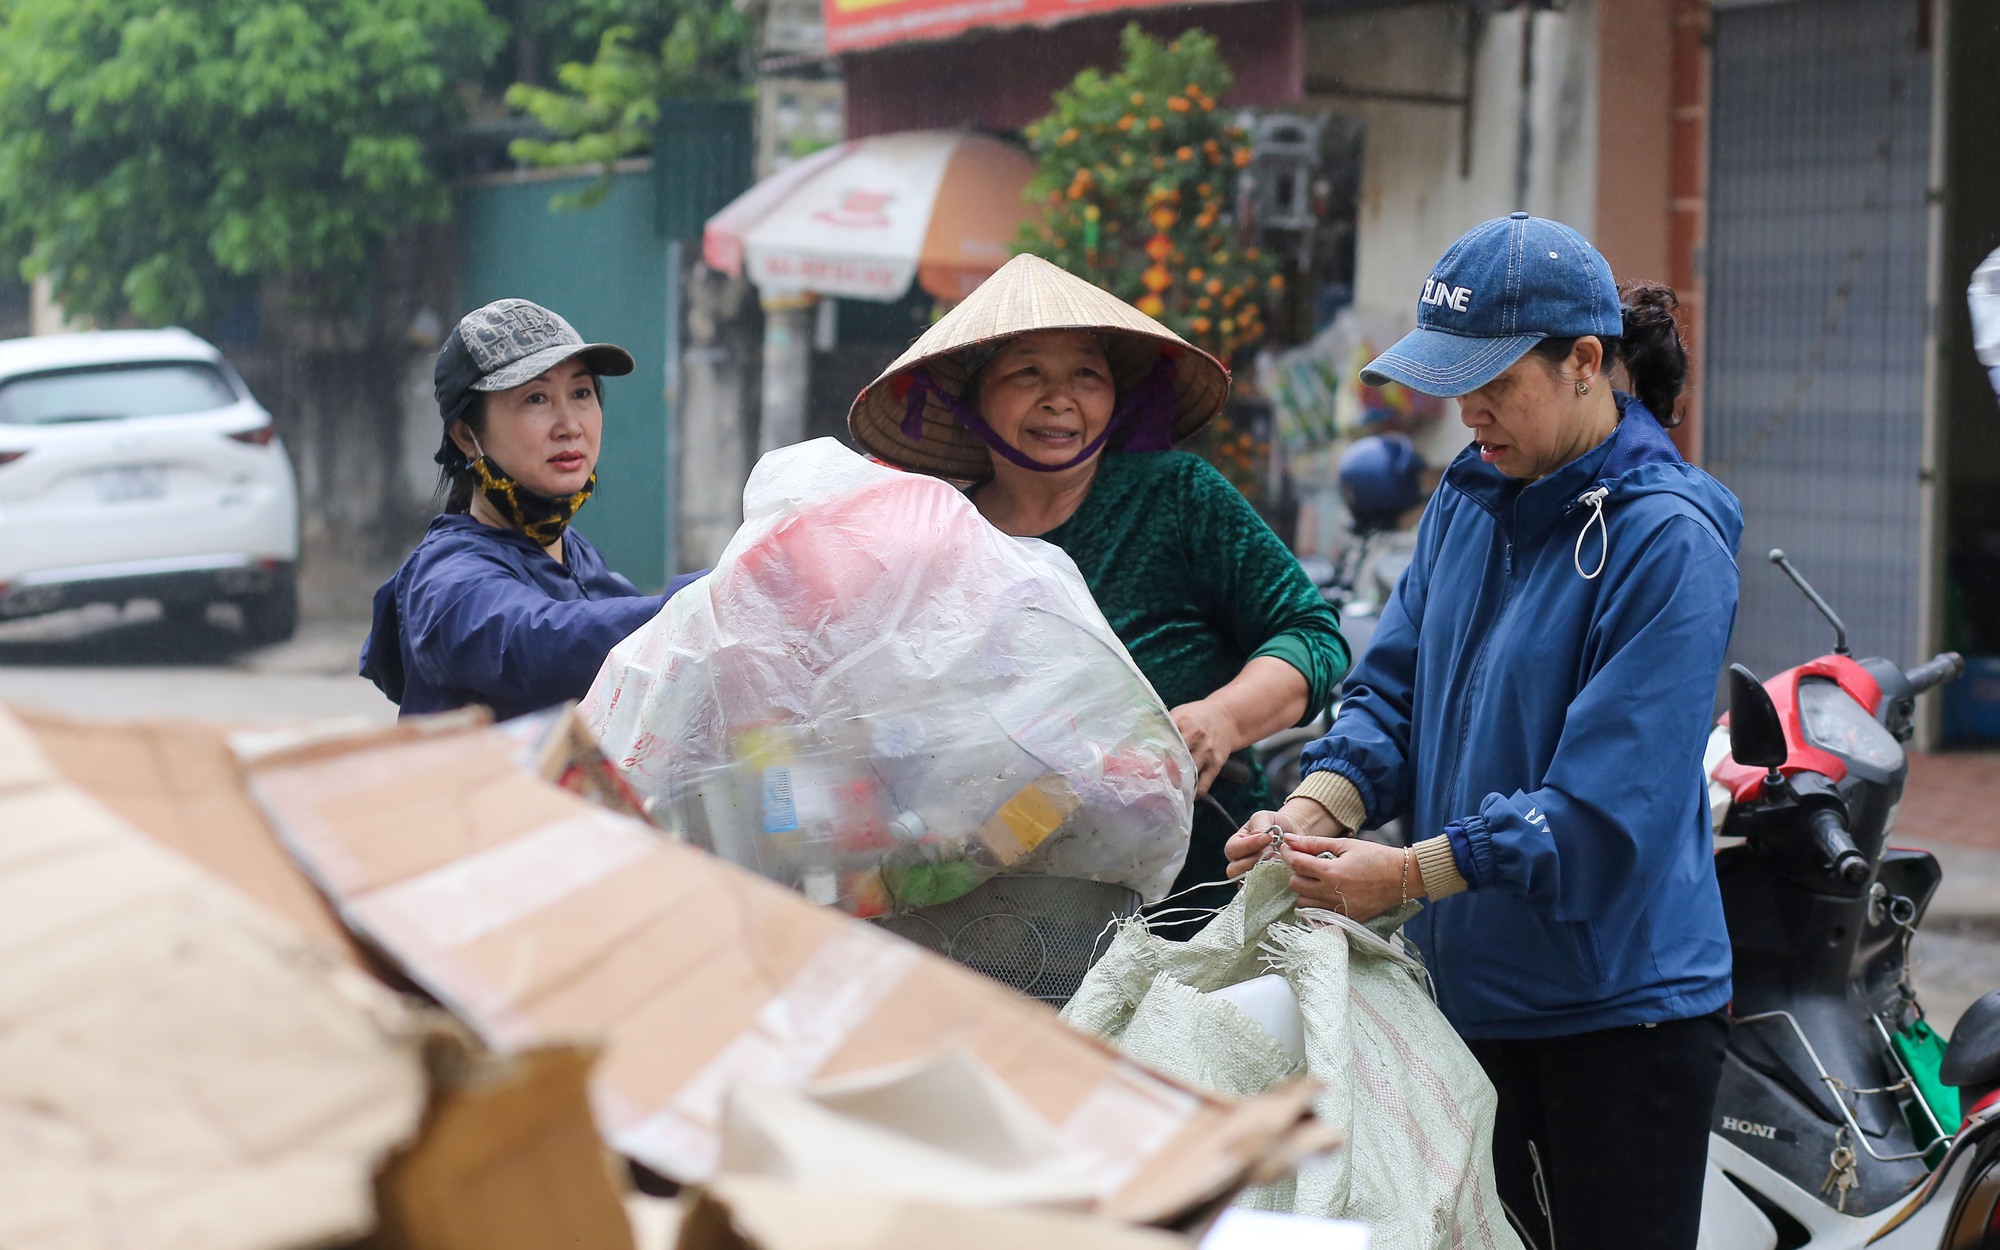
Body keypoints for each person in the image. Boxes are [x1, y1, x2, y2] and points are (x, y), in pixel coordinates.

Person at [1224, 214, 1741, 1250]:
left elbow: (1602, 811)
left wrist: (1406, 873)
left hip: (1615, 1022)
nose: (1468, 412)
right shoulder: (1467, 502)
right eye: (1451, 383)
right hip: (1466, 1005)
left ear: (1584, 362)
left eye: (1493, 382)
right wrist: (1309, 807)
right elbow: (1392, 689)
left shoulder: (1666, 543)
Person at [848, 253, 1349, 915]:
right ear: (969, 398)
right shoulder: (947, 538)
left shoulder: (1176, 496)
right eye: (1027, 372)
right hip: (1003, 914)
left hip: (1201, 899)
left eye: (1086, 373)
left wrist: (1221, 718)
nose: (1061, 398)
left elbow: (1311, 636)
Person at [361, 298, 700, 721]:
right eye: (536, 398)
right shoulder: (445, 581)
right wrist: (706, 603)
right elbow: (535, 642)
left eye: (581, 393)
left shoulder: (579, 558)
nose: (570, 425)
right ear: (467, 435)